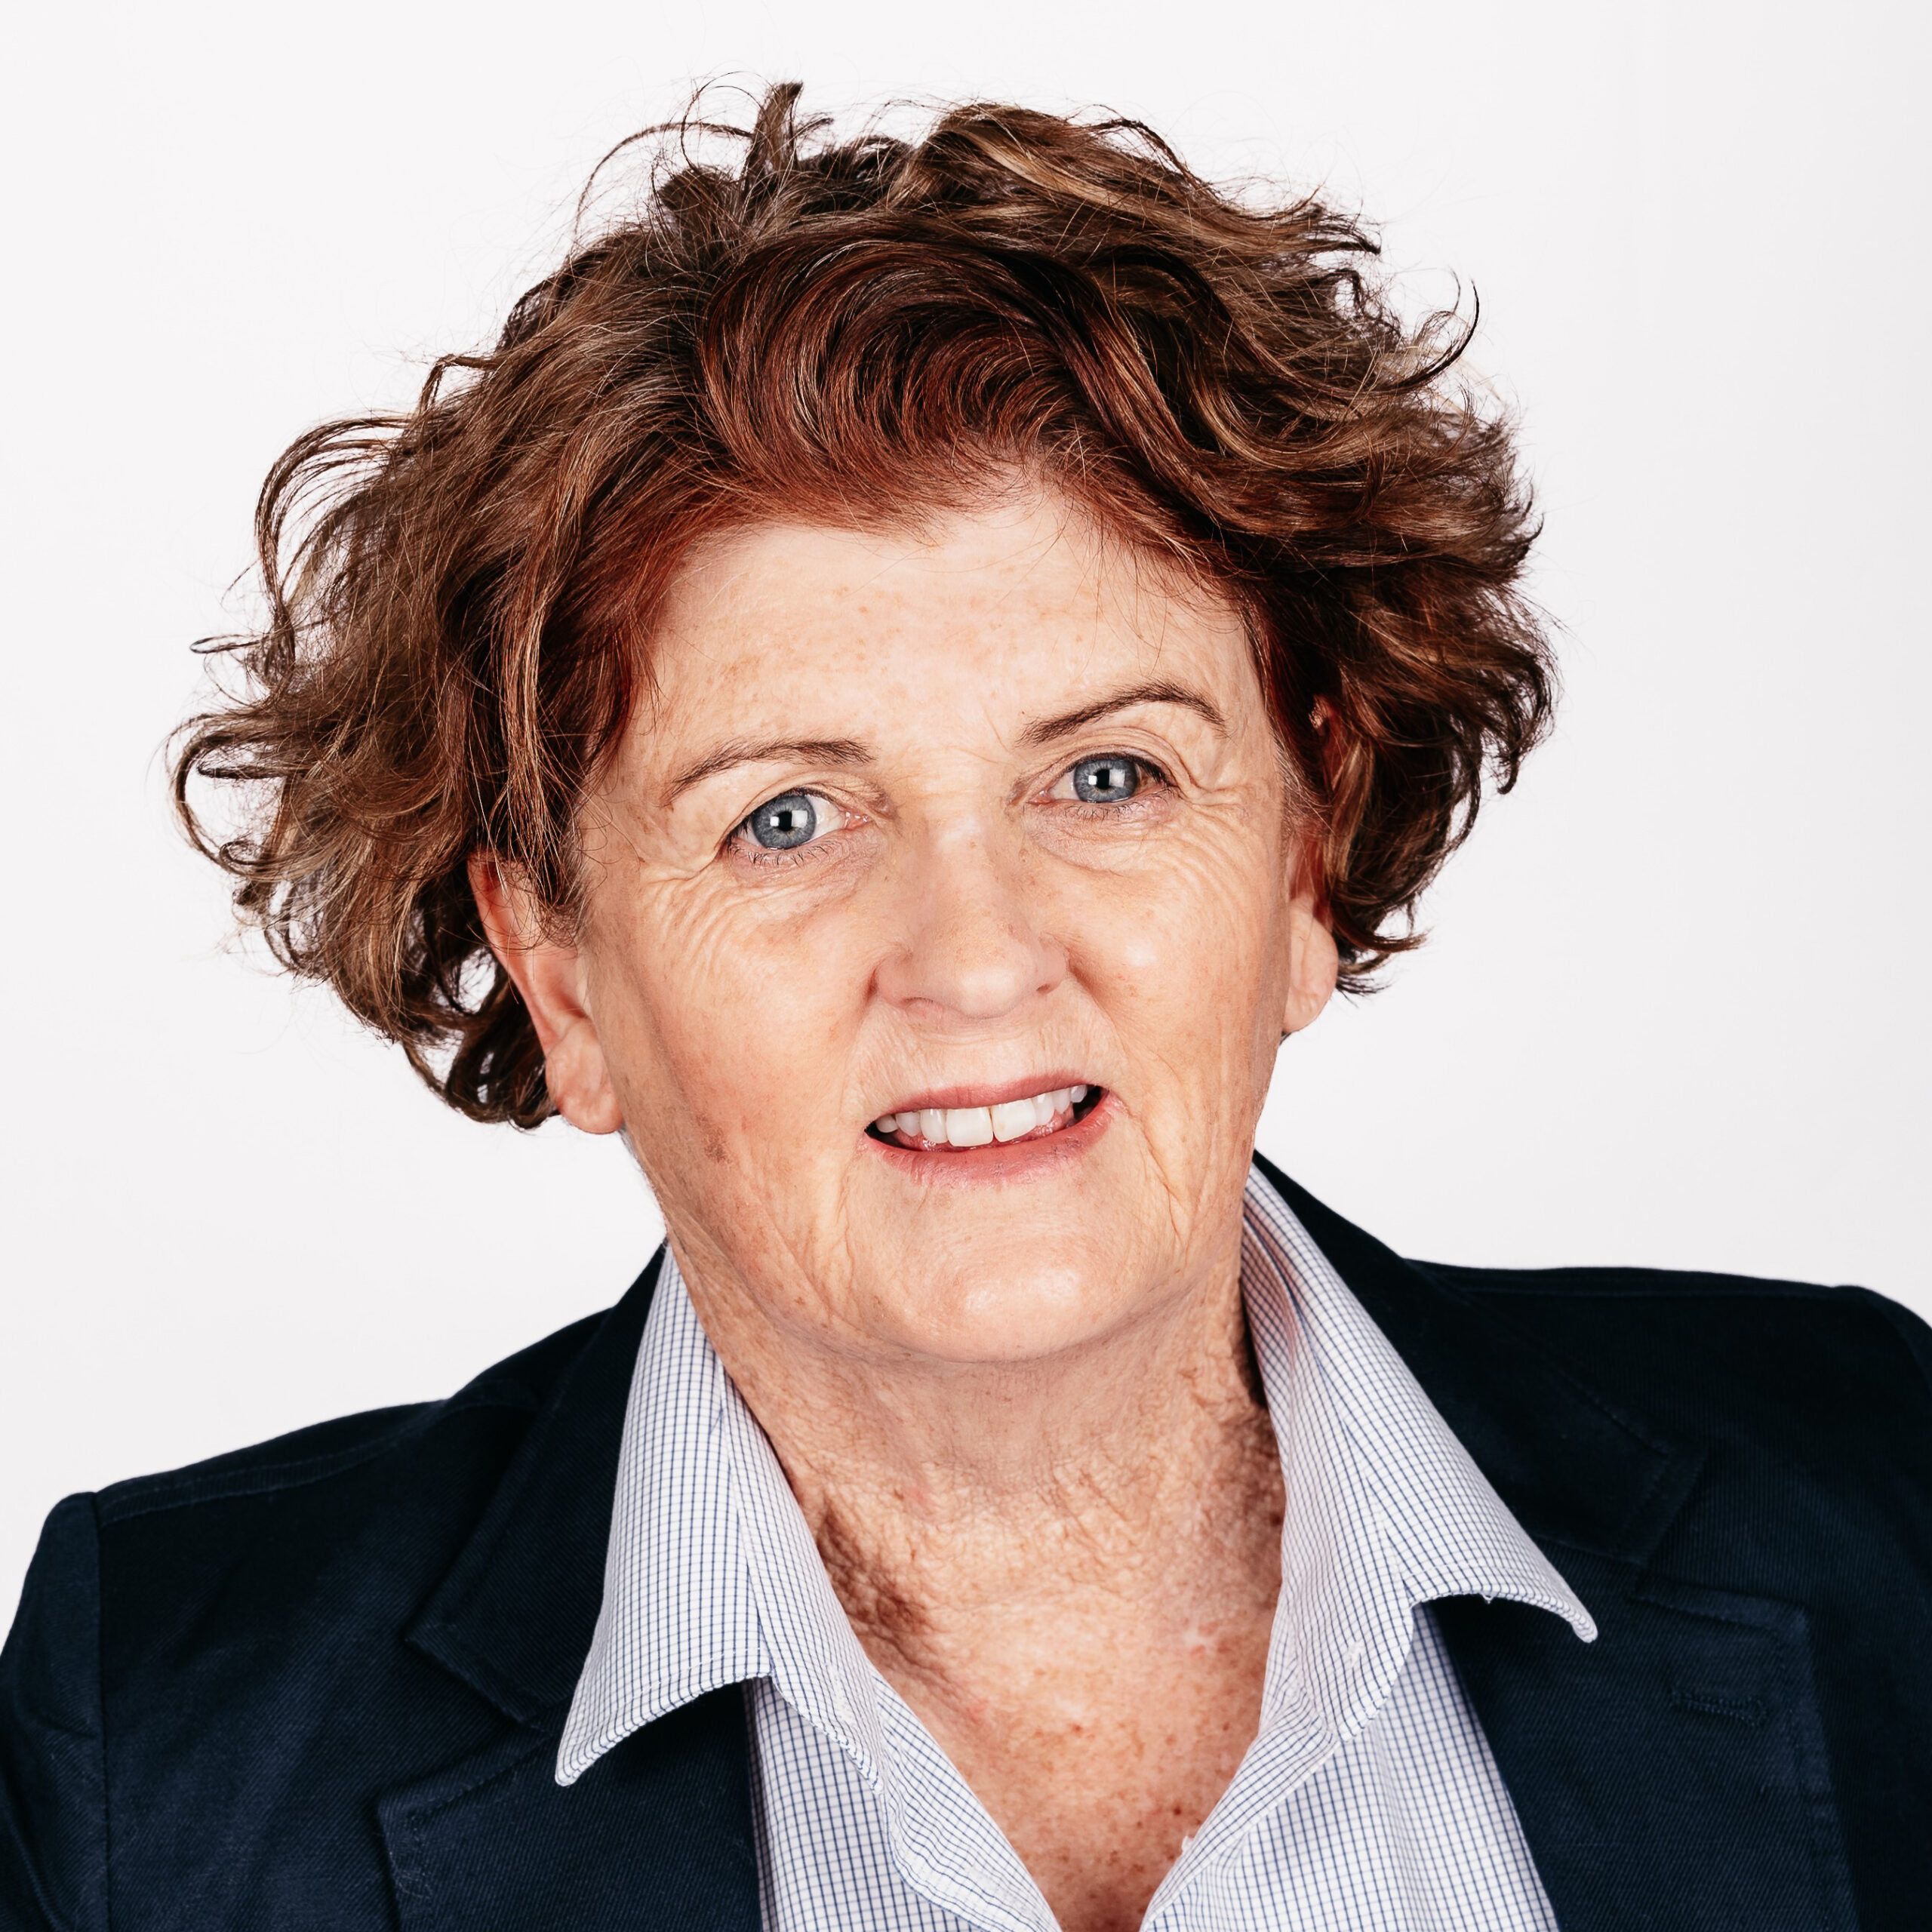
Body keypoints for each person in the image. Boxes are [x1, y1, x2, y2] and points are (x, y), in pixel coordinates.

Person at [2, 82, 1927, 1932]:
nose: (979, 955)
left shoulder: (1868, 1495)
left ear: (1302, 857)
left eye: (1106, 775)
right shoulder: (161, 1744)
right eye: (784, 816)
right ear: (559, 971)